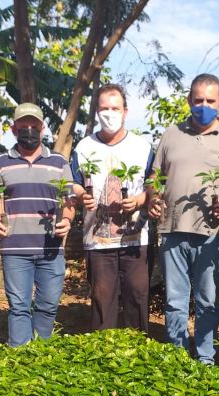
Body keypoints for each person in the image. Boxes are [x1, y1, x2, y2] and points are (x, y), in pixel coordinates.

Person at [148, 73, 219, 364]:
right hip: (172, 228)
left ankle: (205, 358)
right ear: (189, 100)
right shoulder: (171, 134)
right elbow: (155, 177)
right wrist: (153, 197)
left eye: (210, 101)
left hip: (211, 232)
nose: (203, 105)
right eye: (198, 100)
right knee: (175, 300)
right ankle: (177, 358)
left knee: (207, 300)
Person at [0, 103, 77, 346]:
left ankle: (41, 356)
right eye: (23, 126)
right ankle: (20, 358)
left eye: (34, 125)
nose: (29, 130)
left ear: (42, 128)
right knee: (19, 307)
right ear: (14, 129)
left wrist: (66, 220)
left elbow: (69, 200)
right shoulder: (0, 163)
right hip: (15, 249)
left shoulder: (58, 162)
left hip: (50, 248)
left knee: (48, 305)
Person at [70, 83, 154, 331]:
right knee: (101, 298)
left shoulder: (142, 147)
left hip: (136, 239)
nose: (110, 114)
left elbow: (154, 185)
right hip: (98, 240)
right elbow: (74, 183)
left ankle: (139, 352)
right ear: (96, 111)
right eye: (104, 108)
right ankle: (103, 354)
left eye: (115, 108)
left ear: (126, 111)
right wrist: (82, 195)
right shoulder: (84, 147)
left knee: (137, 297)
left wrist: (139, 200)